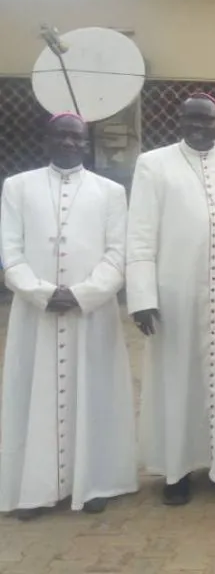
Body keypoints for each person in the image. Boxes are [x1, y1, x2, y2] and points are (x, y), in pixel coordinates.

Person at [126, 93, 215, 506]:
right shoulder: (153, 164)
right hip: (175, 295)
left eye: (208, 119)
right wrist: (142, 296)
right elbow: (141, 234)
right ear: (178, 120)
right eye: (191, 119)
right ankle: (176, 470)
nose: (200, 126)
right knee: (176, 378)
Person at [0, 112, 137, 519]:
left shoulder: (110, 192)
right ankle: (35, 489)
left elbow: (118, 254)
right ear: (46, 140)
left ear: (85, 143)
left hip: (91, 314)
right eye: (60, 135)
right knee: (34, 395)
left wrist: (81, 294)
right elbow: (9, 252)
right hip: (35, 314)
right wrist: (42, 292)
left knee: (94, 396)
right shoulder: (18, 187)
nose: (68, 143)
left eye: (76, 137)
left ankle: (95, 483)